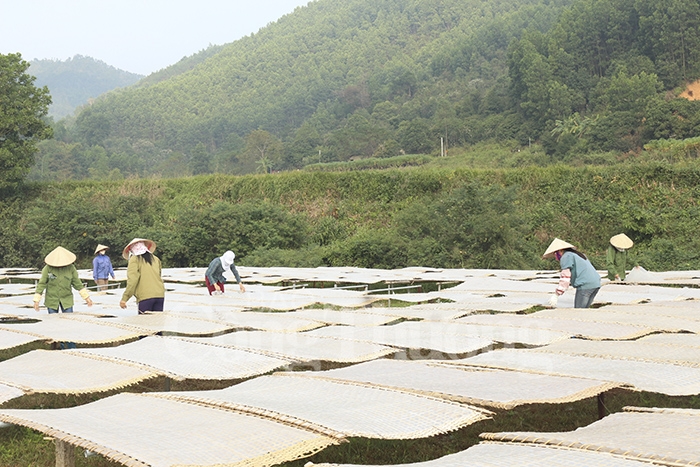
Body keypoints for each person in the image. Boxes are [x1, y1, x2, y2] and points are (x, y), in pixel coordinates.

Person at [543, 238, 601, 308]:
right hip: (595, 284)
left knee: (578, 311)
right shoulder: (578, 254)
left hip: (585, 286)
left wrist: (557, 294)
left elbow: (565, 277)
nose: (556, 256)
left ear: (561, 250)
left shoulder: (566, 256)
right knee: (584, 311)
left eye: (555, 253)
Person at [33, 246, 93, 313]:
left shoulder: (71, 268)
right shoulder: (47, 268)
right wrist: (36, 300)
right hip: (52, 299)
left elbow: (77, 284)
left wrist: (86, 298)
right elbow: (41, 284)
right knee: (53, 320)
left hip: (67, 299)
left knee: (68, 320)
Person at [119, 238, 165, 313]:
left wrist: (125, 298)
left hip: (145, 297)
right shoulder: (156, 259)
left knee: (144, 323)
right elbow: (159, 275)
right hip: (160, 295)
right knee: (157, 322)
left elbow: (133, 280)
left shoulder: (135, 259)